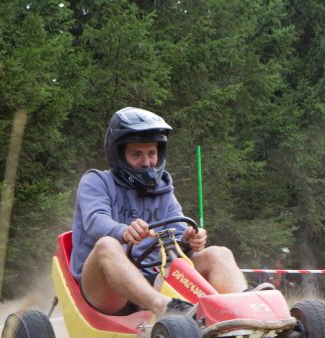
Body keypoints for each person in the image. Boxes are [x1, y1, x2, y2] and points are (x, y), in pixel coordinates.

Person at [70, 106, 248, 317]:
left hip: (154, 280)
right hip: (106, 290)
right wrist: (123, 231)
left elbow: (178, 236)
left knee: (219, 253)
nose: (147, 162)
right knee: (107, 245)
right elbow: (95, 221)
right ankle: (165, 308)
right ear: (119, 154)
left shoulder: (163, 190)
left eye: (152, 153)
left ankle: (245, 310)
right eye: (137, 154)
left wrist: (191, 239)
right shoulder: (96, 181)